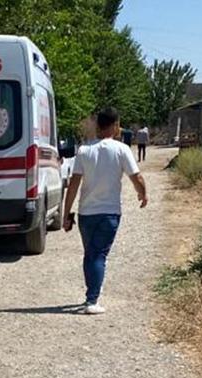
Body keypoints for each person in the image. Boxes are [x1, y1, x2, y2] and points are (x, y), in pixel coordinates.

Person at [62, 108, 148, 315]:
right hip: (109, 212)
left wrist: (66, 213)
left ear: (98, 125)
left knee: (90, 254)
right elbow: (136, 177)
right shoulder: (121, 149)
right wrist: (143, 194)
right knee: (98, 255)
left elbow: (73, 184)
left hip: (86, 213)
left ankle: (92, 291)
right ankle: (92, 299)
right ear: (116, 125)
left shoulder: (83, 151)